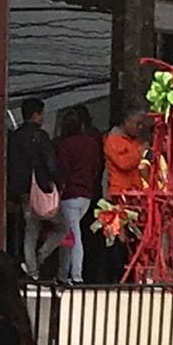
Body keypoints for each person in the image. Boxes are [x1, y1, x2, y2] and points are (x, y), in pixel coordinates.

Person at [6, 98, 59, 277]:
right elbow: (51, 164)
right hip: (41, 187)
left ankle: (32, 269)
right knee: (62, 226)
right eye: (42, 114)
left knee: (31, 229)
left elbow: (11, 165)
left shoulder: (14, 137)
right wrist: (56, 182)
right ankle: (39, 257)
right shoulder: (41, 136)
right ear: (36, 115)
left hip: (23, 191)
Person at [53, 108, 100, 283]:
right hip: (86, 194)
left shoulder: (65, 145)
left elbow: (63, 170)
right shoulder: (92, 143)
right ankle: (63, 274)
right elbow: (95, 168)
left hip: (69, 194)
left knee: (73, 235)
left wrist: (60, 188)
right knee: (69, 234)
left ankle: (76, 275)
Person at [104, 106, 149, 198]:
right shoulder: (113, 140)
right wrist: (140, 152)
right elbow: (123, 163)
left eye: (142, 125)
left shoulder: (134, 140)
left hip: (135, 190)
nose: (140, 127)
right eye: (138, 124)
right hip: (120, 192)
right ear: (126, 122)